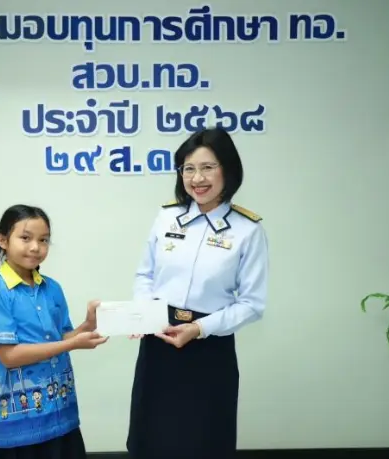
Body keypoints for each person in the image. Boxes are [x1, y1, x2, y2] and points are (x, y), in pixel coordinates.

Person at [126, 127, 270, 459]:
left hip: (209, 347)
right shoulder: (167, 217)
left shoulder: (248, 230)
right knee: (150, 438)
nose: (197, 178)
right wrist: (142, 313)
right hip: (159, 340)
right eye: (188, 168)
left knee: (204, 442)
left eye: (207, 167)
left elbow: (252, 304)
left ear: (227, 170)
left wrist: (199, 328)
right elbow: (145, 275)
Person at [0, 204, 108, 459]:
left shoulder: (52, 288)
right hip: (21, 425)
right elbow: (9, 356)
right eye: (25, 238)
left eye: (43, 240)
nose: (36, 247)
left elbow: (62, 338)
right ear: (3, 240)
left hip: (63, 415)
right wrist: (72, 344)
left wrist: (87, 325)